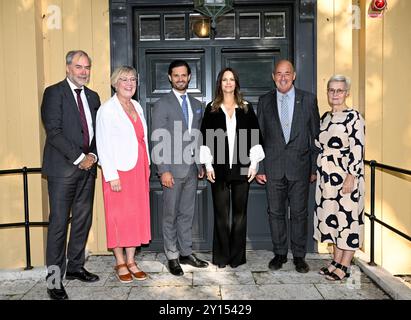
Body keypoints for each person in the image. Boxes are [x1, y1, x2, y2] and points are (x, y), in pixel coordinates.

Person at [41, 50, 101, 300]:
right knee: (57, 225)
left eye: (86, 67)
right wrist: (80, 158)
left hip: (88, 171)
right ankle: (54, 280)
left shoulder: (93, 96)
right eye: (78, 67)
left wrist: (94, 157)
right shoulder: (54, 92)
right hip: (63, 170)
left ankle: (75, 268)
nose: (83, 72)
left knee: (81, 221)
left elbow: (100, 132)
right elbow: (53, 131)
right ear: (68, 68)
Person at [256, 59, 320, 273]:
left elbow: (315, 137)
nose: (283, 77)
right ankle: (280, 253)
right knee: (275, 213)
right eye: (278, 73)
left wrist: (313, 168)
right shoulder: (264, 101)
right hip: (273, 168)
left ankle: (299, 256)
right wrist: (260, 167)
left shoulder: (308, 100)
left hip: (300, 168)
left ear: (293, 75)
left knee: (300, 214)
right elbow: (259, 137)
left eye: (287, 73)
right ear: (273, 76)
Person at [199, 68, 265, 268]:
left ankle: (237, 258)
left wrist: (254, 164)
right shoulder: (211, 108)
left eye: (232, 79)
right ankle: (221, 257)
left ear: (236, 83)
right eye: (224, 80)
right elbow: (205, 138)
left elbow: (255, 136)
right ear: (220, 83)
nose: (228, 83)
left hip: (242, 167)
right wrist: (208, 164)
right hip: (218, 169)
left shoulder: (246, 107)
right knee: (220, 215)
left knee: (239, 214)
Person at [151, 60, 208, 276]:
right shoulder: (162, 104)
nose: (180, 79)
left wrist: (200, 163)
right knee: (170, 215)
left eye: (184, 75)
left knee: (187, 214)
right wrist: (163, 169)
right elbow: (157, 139)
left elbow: (197, 136)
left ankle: (186, 252)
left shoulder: (196, 104)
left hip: (192, 169)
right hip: (171, 171)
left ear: (189, 77)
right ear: (169, 77)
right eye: (176, 75)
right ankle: (172, 256)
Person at [96, 66, 151, 283]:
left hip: (138, 168)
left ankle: (131, 261)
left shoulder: (136, 105)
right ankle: (119, 262)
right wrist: (111, 175)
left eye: (132, 80)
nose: (129, 84)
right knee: (118, 217)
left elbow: (142, 138)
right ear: (115, 83)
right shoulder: (107, 110)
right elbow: (102, 144)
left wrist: (147, 164)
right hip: (118, 171)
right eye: (124, 79)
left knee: (135, 216)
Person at [314, 75, 365, 281]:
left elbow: (358, 149)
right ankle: (335, 260)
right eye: (331, 90)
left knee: (348, 220)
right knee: (332, 220)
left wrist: (351, 176)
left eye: (339, 90)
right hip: (326, 179)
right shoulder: (325, 117)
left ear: (347, 93)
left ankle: (345, 265)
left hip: (345, 176)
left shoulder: (355, 117)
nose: (335, 94)